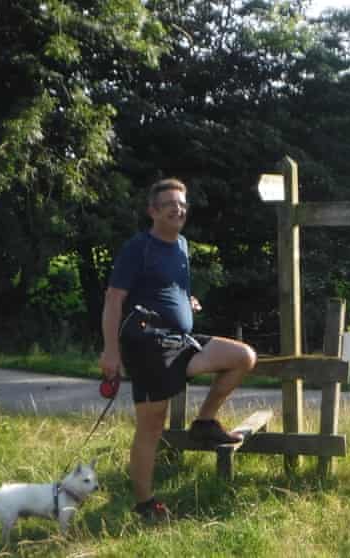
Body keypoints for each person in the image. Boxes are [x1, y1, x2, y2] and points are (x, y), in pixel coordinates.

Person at [98, 178, 257, 523]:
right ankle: (145, 504)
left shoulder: (182, 245)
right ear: (152, 211)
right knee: (151, 427)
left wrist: (187, 302)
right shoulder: (138, 247)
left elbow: (173, 288)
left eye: (182, 203)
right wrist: (111, 353)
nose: (178, 208)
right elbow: (114, 299)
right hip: (149, 346)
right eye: (170, 203)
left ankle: (204, 421)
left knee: (242, 357)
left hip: (182, 342)